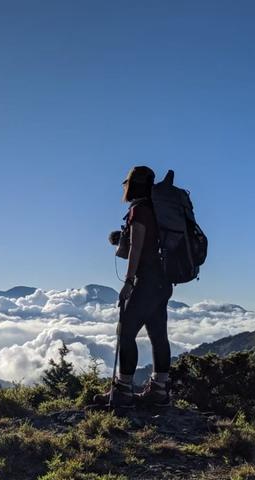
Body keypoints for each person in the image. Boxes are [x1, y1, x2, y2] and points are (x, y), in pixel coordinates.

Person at [96, 166, 173, 408]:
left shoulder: (139, 210)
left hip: (146, 282)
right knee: (158, 335)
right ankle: (160, 390)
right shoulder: (160, 211)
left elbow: (138, 247)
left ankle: (123, 391)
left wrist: (129, 282)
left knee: (126, 332)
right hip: (163, 283)